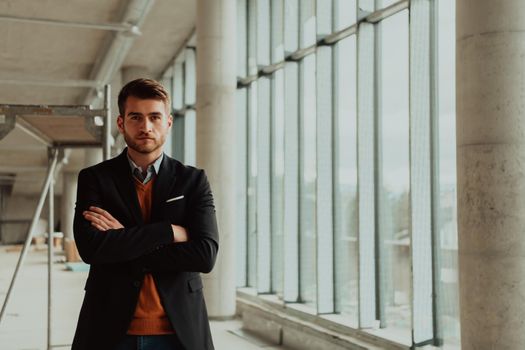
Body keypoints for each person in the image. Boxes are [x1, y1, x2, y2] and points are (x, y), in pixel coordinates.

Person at [71, 78, 219, 350]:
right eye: (136, 117)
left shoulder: (193, 181)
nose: (146, 127)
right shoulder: (95, 178)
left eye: (154, 117)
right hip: (109, 328)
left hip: (179, 332)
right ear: (121, 123)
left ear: (169, 122)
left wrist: (124, 240)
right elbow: (91, 249)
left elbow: (205, 254)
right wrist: (168, 231)